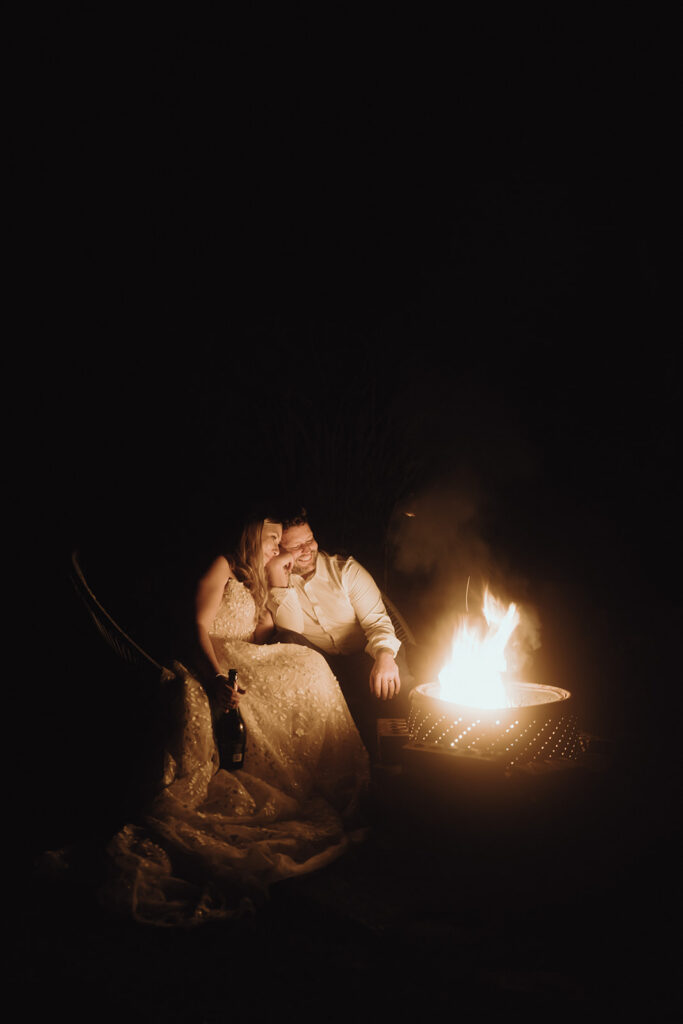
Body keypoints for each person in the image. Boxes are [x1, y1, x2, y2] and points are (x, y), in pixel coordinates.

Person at [101, 515, 370, 926]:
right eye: (272, 538)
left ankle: (320, 774)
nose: (278, 546)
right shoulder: (222, 565)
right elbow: (197, 624)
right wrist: (214, 678)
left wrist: (275, 588)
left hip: (246, 656)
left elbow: (263, 636)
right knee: (304, 669)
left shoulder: (254, 579)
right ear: (250, 535)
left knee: (309, 665)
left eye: (280, 540)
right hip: (213, 658)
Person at [267, 508, 415, 754]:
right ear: (279, 550)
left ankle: (404, 756)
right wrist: (279, 580)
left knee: (394, 674)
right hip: (318, 664)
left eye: (310, 540)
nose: (307, 549)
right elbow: (291, 633)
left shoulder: (346, 570)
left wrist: (385, 657)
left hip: (364, 656)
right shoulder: (275, 580)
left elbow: (377, 622)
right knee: (287, 638)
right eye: (296, 546)